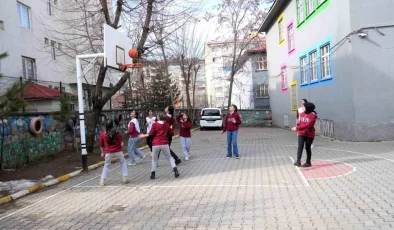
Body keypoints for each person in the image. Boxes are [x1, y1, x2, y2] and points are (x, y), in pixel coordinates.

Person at [139, 112, 180, 179]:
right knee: (169, 157)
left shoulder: (155, 124)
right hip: (164, 143)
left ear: (158, 117)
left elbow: (150, 134)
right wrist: (170, 128)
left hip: (156, 144)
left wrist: (142, 136)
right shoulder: (166, 125)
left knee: (154, 159)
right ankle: (175, 170)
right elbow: (172, 133)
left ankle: (153, 174)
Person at [99, 119, 128, 187]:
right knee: (123, 161)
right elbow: (121, 142)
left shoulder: (103, 134)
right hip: (118, 151)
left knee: (106, 165)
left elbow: (101, 145)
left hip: (108, 152)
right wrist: (121, 145)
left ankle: (102, 180)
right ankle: (125, 177)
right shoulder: (117, 132)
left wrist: (102, 152)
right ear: (112, 125)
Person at [291, 102, 317, 167]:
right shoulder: (302, 114)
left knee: (308, 148)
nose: (302, 108)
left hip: (309, 134)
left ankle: (308, 162)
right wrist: (297, 126)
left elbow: (307, 125)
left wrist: (297, 128)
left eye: (303, 107)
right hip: (301, 133)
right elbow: (300, 122)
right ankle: (298, 161)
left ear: (308, 108)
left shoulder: (313, 116)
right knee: (300, 146)